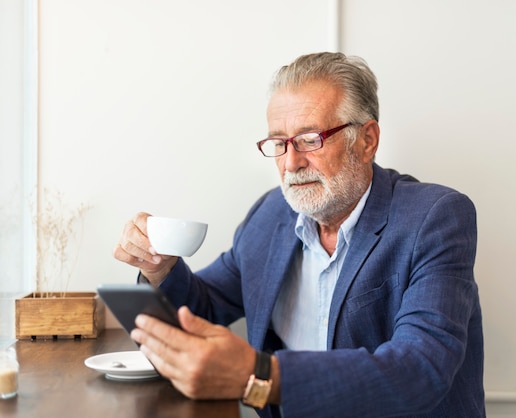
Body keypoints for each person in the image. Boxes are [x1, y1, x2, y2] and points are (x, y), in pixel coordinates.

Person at [113, 52, 485, 418]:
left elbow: (420, 370)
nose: (291, 163)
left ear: (367, 139)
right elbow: (203, 307)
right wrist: (160, 270)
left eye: (310, 139)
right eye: (279, 143)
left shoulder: (434, 218)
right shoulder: (271, 214)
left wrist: (260, 375)